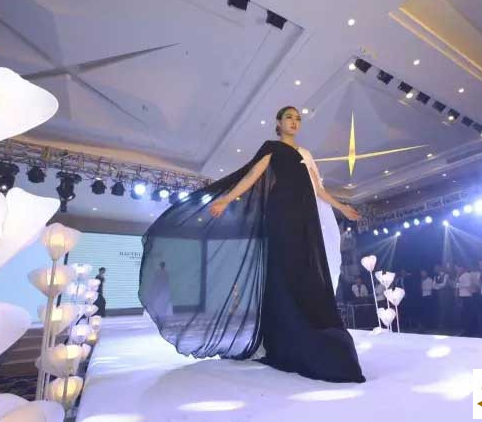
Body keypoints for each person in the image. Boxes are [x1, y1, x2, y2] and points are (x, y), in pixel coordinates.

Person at [139, 106, 365, 383]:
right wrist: (226, 199)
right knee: (283, 271)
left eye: (298, 118)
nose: (294, 122)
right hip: (282, 215)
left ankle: (303, 327)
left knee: (305, 270)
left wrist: (342, 207)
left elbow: (318, 190)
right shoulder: (272, 147)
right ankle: (285, 334)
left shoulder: (306, 154)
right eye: (289, 117)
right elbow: (251, 176)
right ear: (278, 123)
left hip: (306, 218)